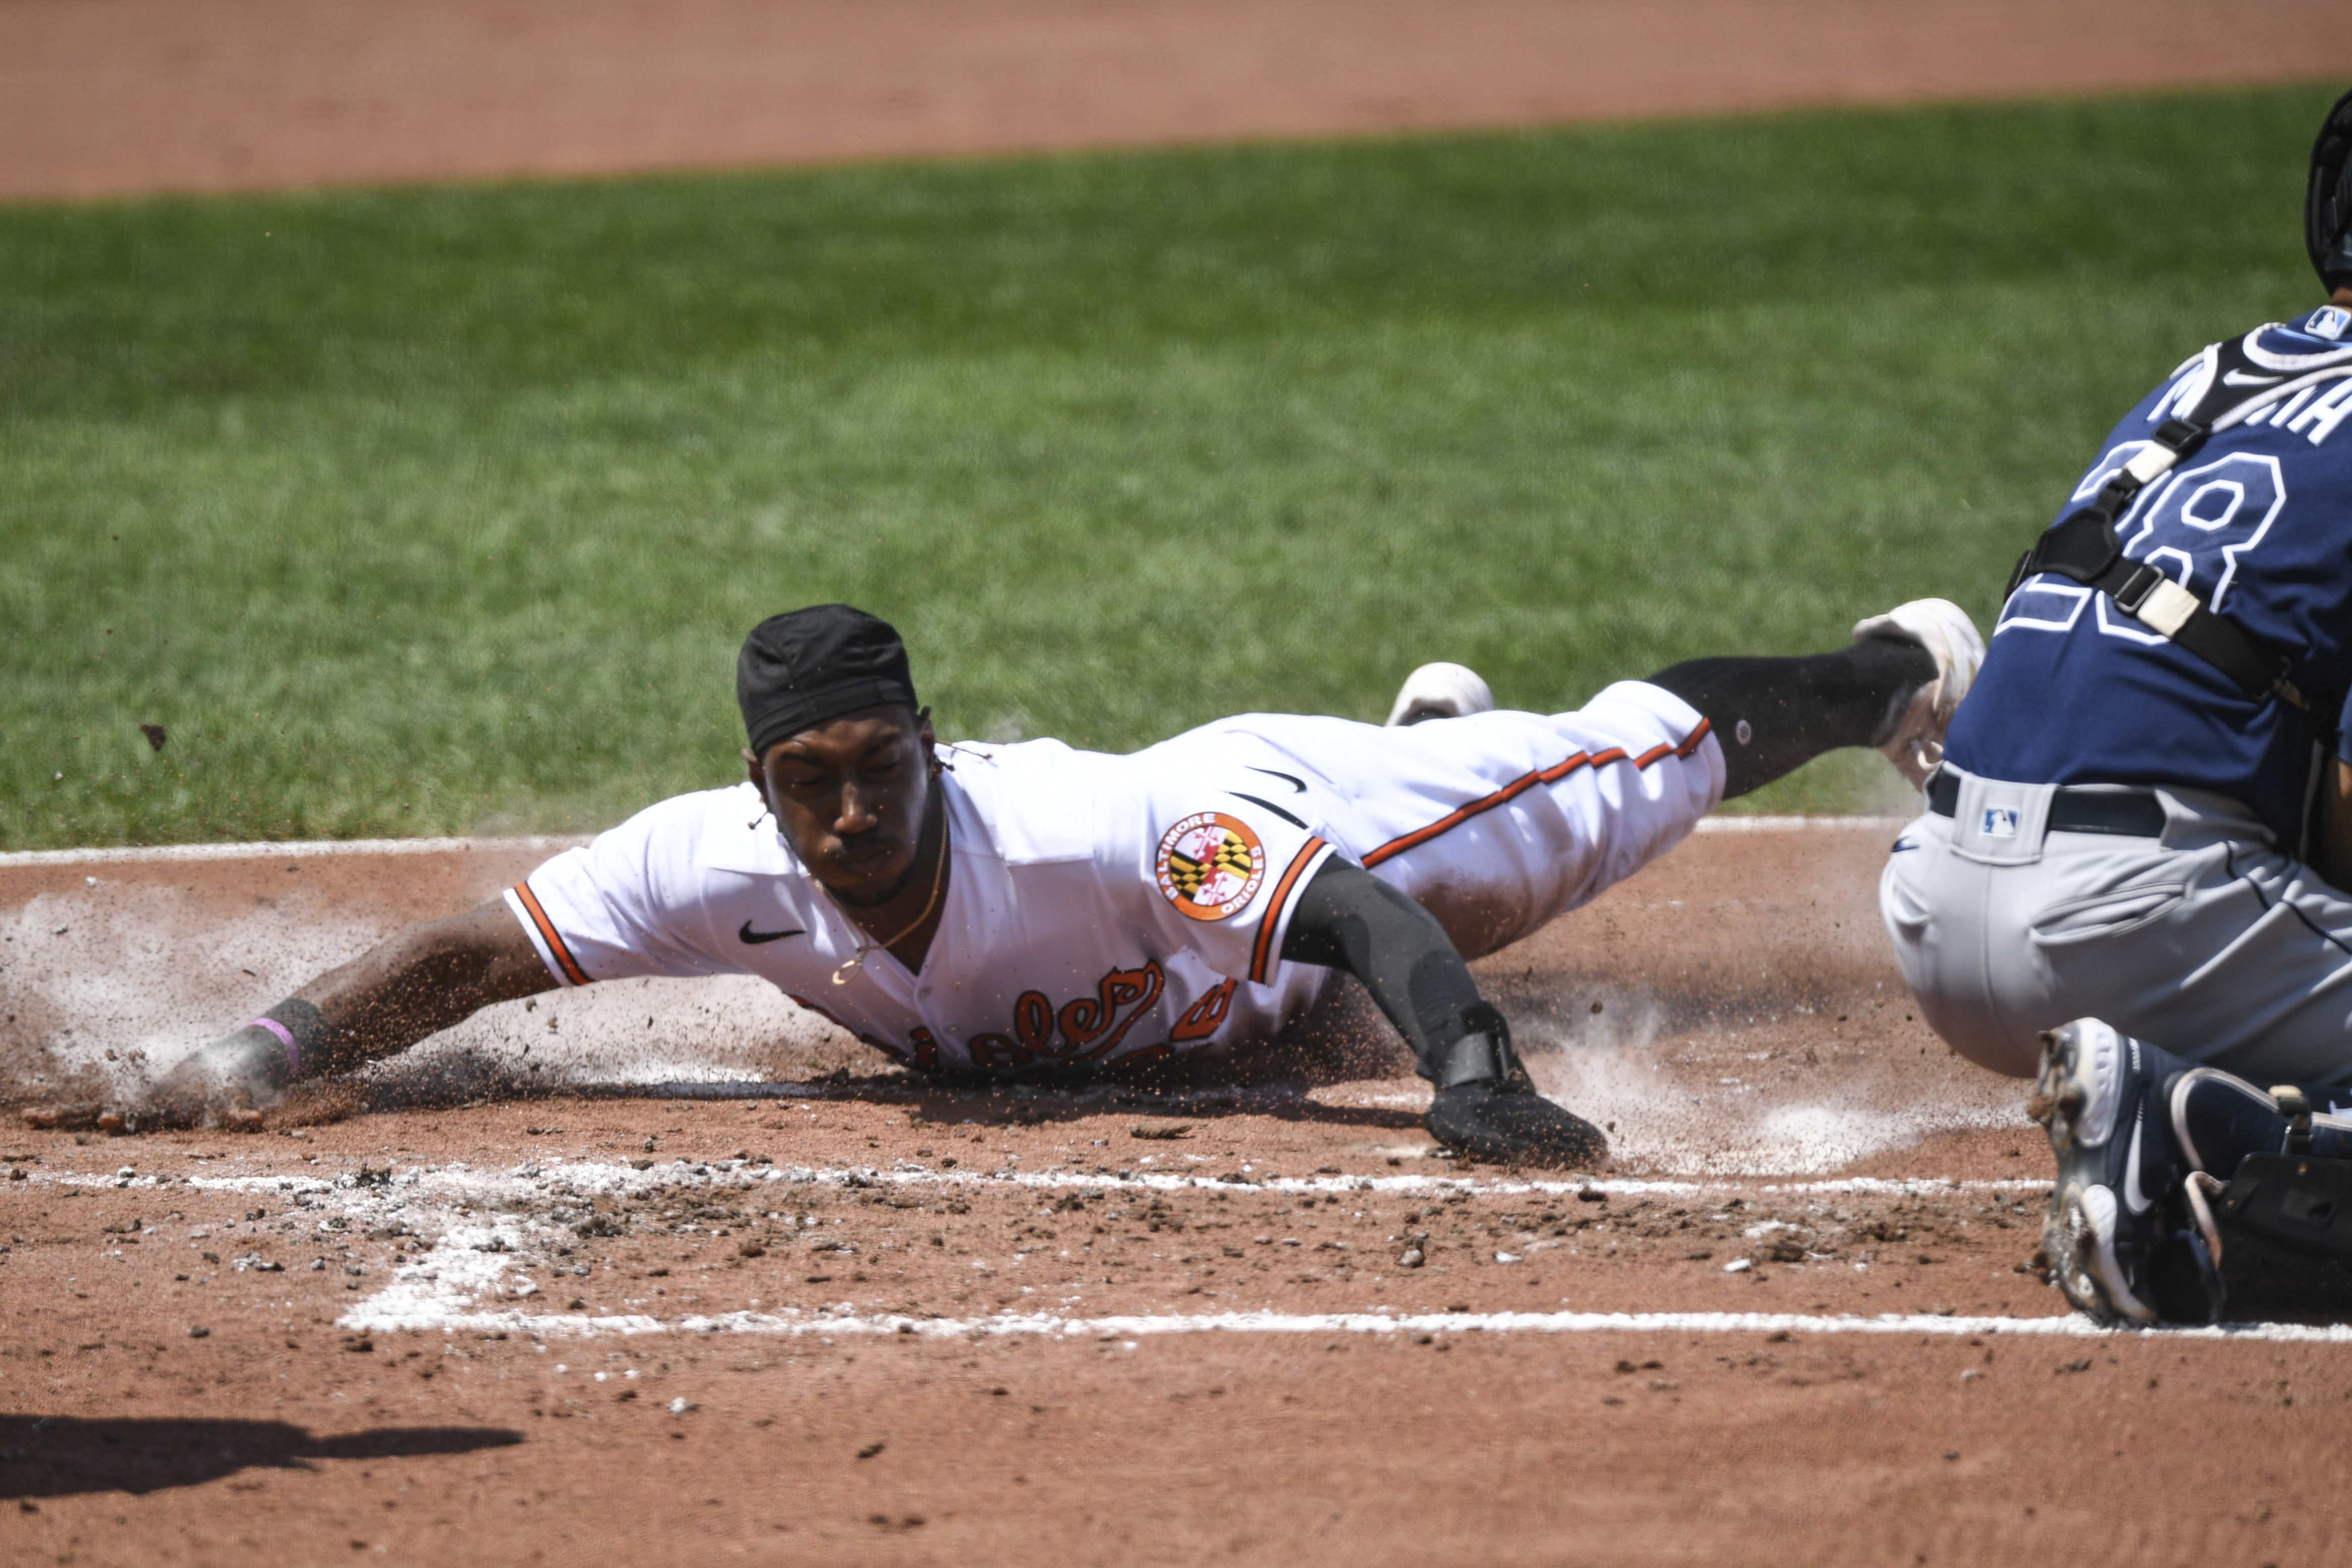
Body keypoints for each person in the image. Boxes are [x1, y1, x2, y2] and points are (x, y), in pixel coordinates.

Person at [37, 596, 1980, 1167]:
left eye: (881, 771)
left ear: (928, 750)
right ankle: (1422, 714)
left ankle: (1892, 664)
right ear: (759, 788)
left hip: (1283, 835)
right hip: (1240, 953)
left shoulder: (1095, 825)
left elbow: (1364, 929)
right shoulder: (711, 865)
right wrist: (253, 1050)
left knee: (1611, 776)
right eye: (810, 786)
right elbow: (479, 951)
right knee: (1342, 928)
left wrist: (1470, 1072)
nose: (850, 814)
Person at [1881, 87, 2352, 1321]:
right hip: (2139, 923)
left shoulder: (2219, 369)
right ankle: (2184, 1116)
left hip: (1934, 895)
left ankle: (2192, 1086)